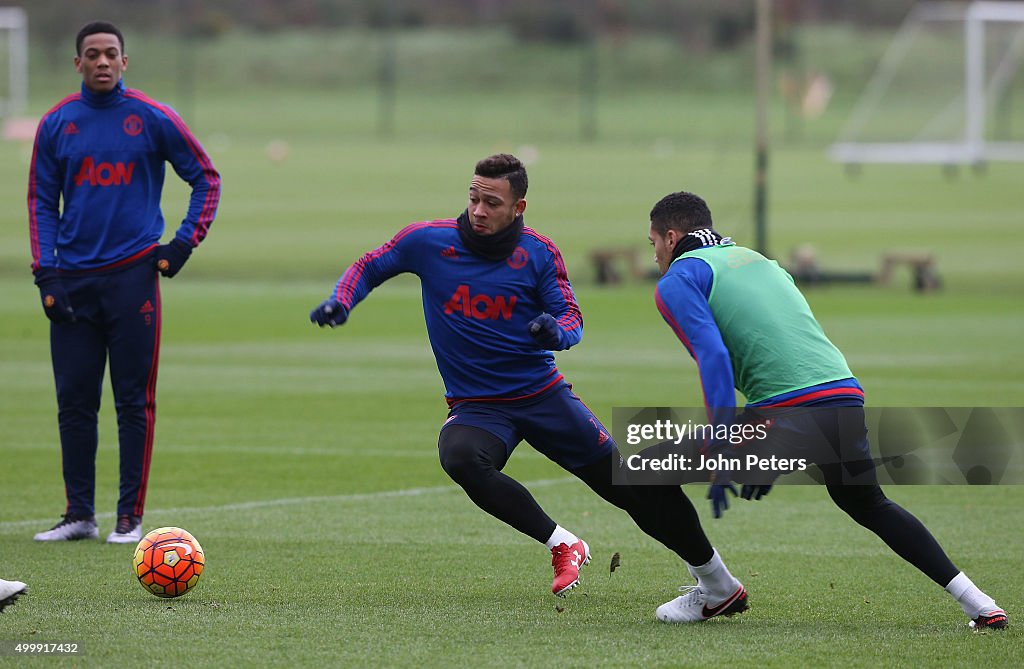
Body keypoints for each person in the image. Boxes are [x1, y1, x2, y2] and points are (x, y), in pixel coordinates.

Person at [311, 154, 747, 620]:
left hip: (542, 397)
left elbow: (572, 319)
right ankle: (564, 543)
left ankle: (716, 581)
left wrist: (553, 333)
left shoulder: (539, 253)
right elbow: (371, 265)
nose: (478, 210)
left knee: (632, 488)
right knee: (460, 456)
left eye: (491, 203)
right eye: (474, 198)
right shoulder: (428, 241)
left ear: (518, 207)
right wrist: (342, 299)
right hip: (478, 407)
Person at [643, 190, 1007, 630]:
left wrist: (727, 445)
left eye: (654, 245)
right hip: (844, 397)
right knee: (867, 502)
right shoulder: (758, 259)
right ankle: (980, 603)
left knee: (647, 470)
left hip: (790, 411)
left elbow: (715, 358)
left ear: (671, 236)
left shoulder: (677, 280)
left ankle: (716, 589)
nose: (655, 256)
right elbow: (786, 346)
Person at [28, 21, 221, 544]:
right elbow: (41, 203)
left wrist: (183, 242)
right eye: (92, 54)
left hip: (133, 278)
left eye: (111, 53)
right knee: (74, 400)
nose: (102, 62)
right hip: (71, 282)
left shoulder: (152, 118)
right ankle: (78, 515)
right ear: (78, 65)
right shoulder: (56, 124)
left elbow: (206, 177)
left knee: (133, 400)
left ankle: (129, 520)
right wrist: (46, 272)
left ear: (125, 61)